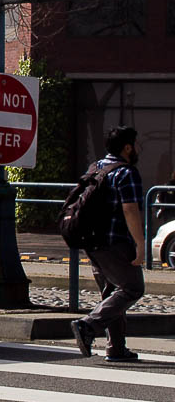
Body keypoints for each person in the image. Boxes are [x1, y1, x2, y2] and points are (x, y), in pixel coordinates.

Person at [71, 125, 147, 362]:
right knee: (133, 288)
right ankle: (88, 325)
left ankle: (116, 348)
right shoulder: (126, 172)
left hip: (92, 242)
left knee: (112, 292)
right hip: (116, 243)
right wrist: (140, 245)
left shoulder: (96, 168)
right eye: (137, 144)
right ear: (127, 147)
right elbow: (130, 210)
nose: (139, 148)